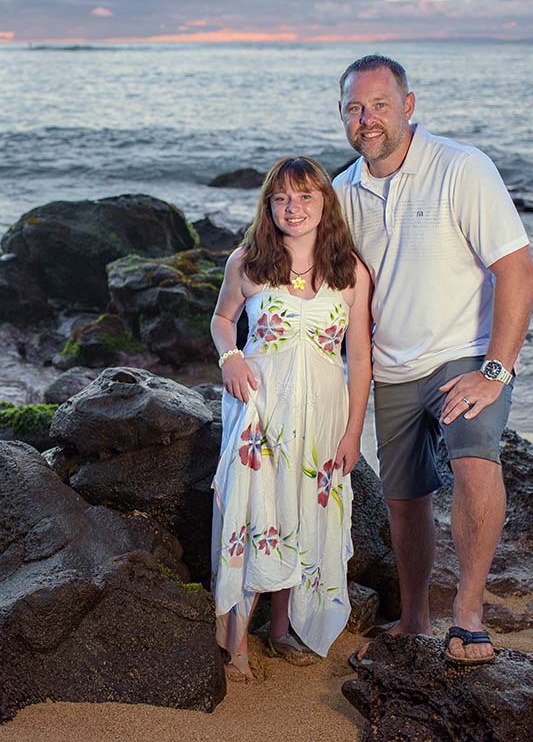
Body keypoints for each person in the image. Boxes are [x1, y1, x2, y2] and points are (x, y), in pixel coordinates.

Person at [333, 55, 533, 666]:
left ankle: (469, 615)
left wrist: (495, 371)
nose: (367, 119)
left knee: (475, 466)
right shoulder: (343, 192)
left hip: (463, 356)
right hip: (391, 366)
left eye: (380, 105)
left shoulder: (462, 167)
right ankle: (416, 617)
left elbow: (517, 270)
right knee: (405, 499)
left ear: (410, 106)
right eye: (354, 108)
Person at [210, 155, 373, 681]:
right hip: (261, 413)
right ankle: (235, 640)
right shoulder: (248, 261)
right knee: (259, 510)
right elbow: (221, 319)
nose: (293, 207)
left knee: (304, 510)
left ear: (325, 200)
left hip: (324, 416)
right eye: (281, 197)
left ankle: (281, 629)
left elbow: (361, 360)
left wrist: (352, 432)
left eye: (305, 196)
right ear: (268, 205)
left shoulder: (350, 272)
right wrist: (229, 356)